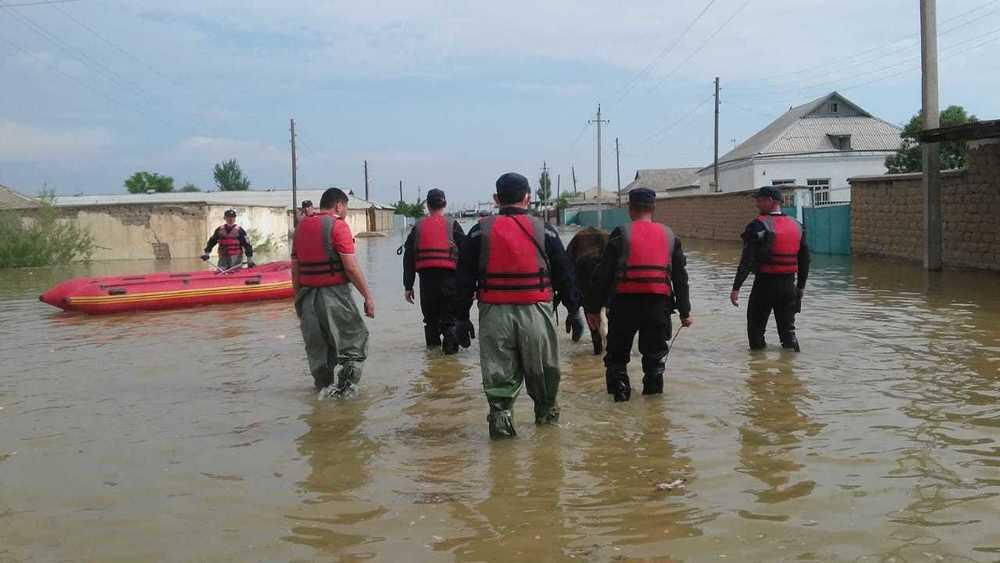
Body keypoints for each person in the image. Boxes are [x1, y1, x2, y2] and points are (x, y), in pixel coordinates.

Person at [456, 172, 581, 439]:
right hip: (536, 311)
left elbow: (463, 279)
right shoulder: (545, 230)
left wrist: (461, 318)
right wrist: (574, 310)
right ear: (528, 198)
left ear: (496, 199)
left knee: (499, 385)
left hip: (493, 315)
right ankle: (547, 445)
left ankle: (502, 458)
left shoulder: (479, 230)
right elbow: (565, 272)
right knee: (545, 382)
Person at [584, 188, 693, 402]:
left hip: (624, 305)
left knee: (616, 358)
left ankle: (619, 405)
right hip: (658, 306)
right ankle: (654, 414)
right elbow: (680, 278)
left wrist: (593, 308)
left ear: (629, 209)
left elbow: (602, 276)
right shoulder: (670, 236)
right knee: (654, 360)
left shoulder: (620, 233)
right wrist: (685, 312)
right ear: (653, 209)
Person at [292, 187, 375, 398]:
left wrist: (298, 300)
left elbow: (295, 268)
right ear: (339, 205)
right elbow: (351, 267)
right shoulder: (338, 226)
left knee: (319, 351)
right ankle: (347, 395)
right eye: (346, 206)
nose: (346, 211)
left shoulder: (301, 227)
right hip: (334, 296)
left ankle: (323, 392)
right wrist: (367, 295)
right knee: (354, 343)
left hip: (307, 297)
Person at [729, 186, 811, 352]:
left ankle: (759, 371)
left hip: (764, 286)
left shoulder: (757, 226)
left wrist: (736, 288)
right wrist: (801, 287)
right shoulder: (797, 225)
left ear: (770, 201)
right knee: (788, 334)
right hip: (789, 286)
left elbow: (747, 259)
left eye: (759, 200)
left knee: (755, 332)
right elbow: (805, 259)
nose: (757, 204)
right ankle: (790, 371)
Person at [402, 188, 473, 354]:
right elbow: (467, 255)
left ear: (427, 205)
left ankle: (432, 361)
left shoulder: (417, 227)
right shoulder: (453, 225)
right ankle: (449, 364)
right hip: (451, 281)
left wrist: (408, 285)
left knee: (431, 322)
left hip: (426, 282)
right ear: (445, 204)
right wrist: (469, 286)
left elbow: (408, 258)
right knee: (450, 323)